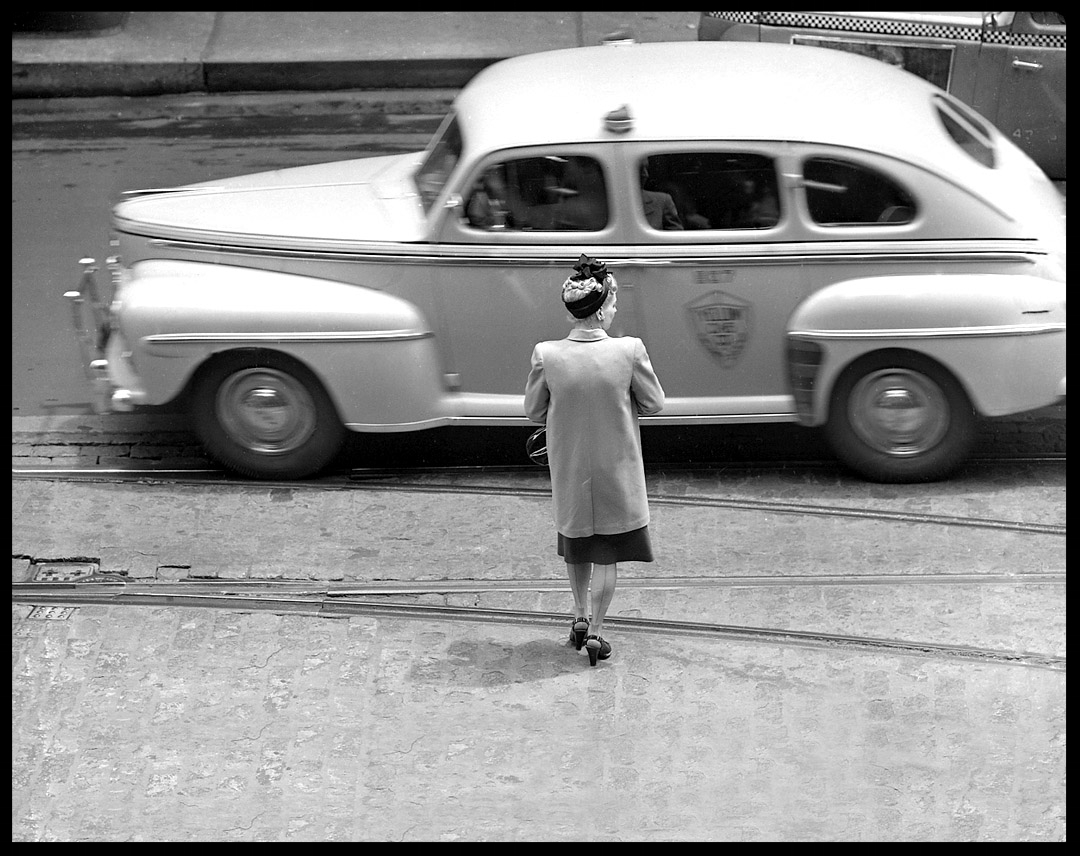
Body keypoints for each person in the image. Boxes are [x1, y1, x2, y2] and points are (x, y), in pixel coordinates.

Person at [524, 254, 666, 666]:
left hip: (569, 467)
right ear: (601, 309)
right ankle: (598, 634)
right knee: (608, 551)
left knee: (578, 546)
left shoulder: (546, 355)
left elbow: (535, 411)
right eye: (614, 303)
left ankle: (580, 618)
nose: (615, 309)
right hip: (616, 468)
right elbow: (654, 402)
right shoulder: (628, 351)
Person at [639, 162, 683, 230]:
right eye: (639, 169)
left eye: (646, 169)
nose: (645, 175)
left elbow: (676, 237)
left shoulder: (662, 201)